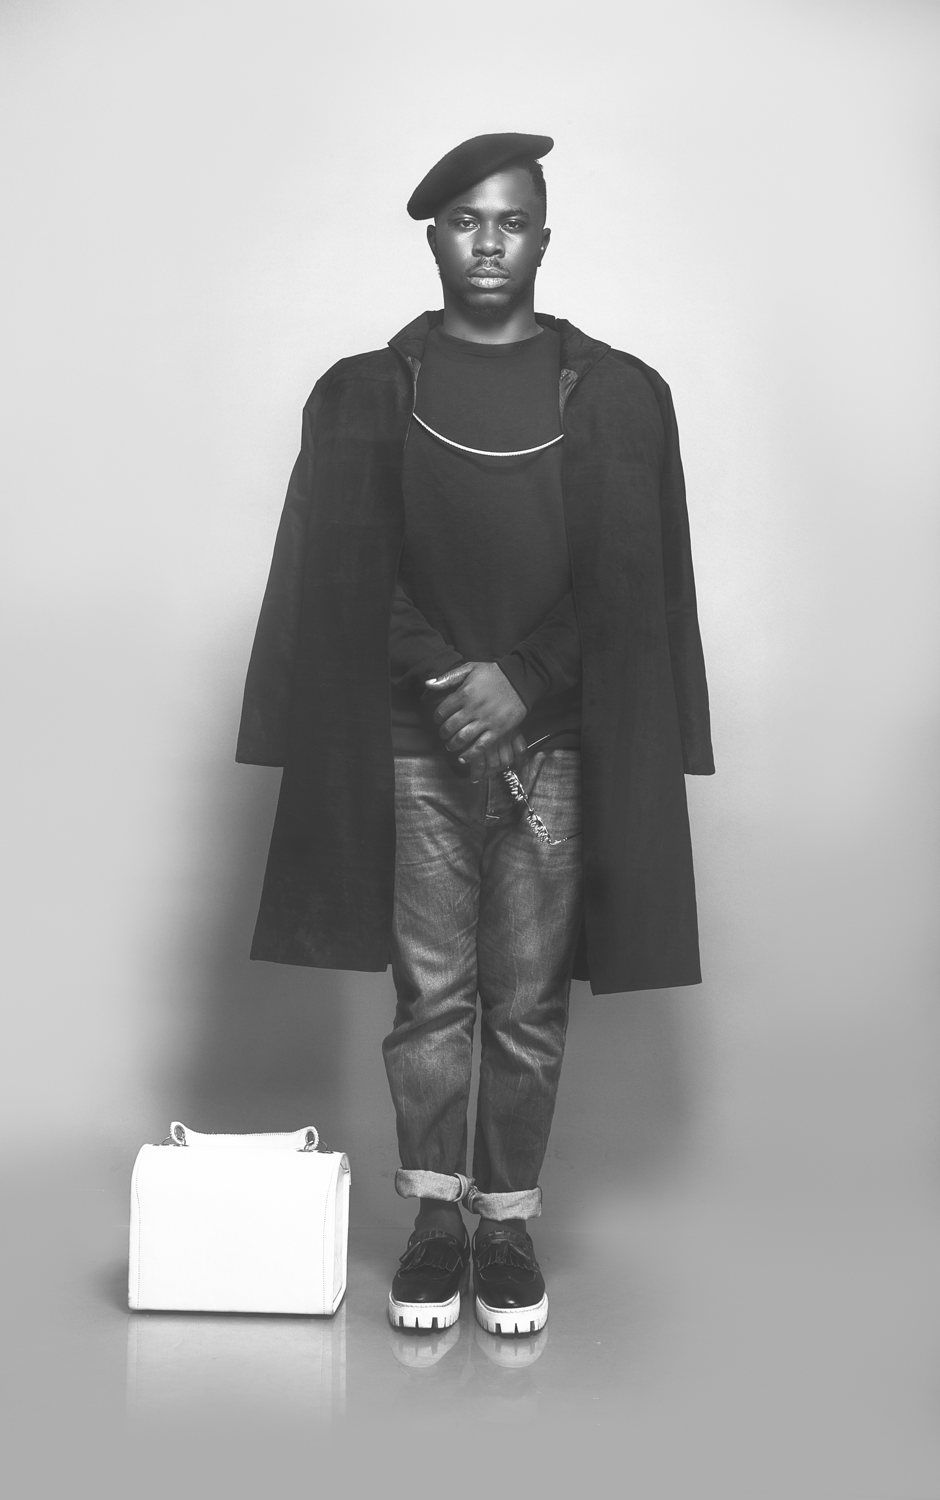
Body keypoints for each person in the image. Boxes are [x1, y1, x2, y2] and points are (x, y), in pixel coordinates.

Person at [236, 132, 714, 1338]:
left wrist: (523, 684)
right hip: (413, 742)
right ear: (433, 238)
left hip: (558, 746)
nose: (488, 242)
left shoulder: (618, 396)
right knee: (434, 998)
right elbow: (346, 571)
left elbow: (634, 579)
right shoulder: (366, 392)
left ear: (544, 238)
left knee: (529, 1002)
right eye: (465, 221)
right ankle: (435, 1223)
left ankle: (505, 1223)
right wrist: (457, 680)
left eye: (510, 221)